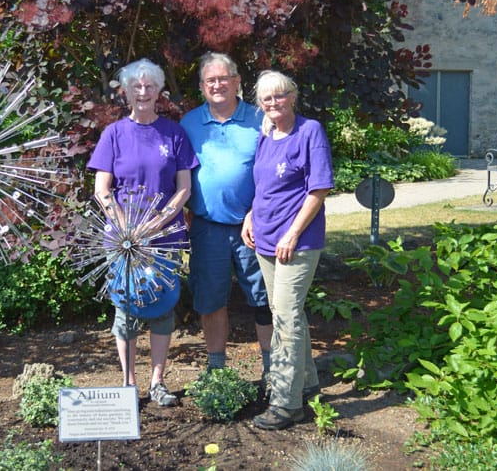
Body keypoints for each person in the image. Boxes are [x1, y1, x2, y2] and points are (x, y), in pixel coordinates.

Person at [87, 58, 198, 407]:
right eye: (136, 86)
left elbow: (184, 188)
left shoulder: (174, 133)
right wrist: (127, 228)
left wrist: (158, 222)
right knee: (126, 309)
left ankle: (157, 383)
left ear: (159, 91)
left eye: (150, 86)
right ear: (125, 91)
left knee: (163, 307)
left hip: (165, 237)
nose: (143, 92)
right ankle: (128, 384)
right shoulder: (114, 134)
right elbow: (102, 189)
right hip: (124, 241)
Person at [241, 70, 334, 430]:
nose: (274, 103)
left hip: (296, 242)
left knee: (285, 318)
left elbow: (319, 188)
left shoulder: (310, 131)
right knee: (286, 312)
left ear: (293, 96)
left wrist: (293, 233)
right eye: (267, 98)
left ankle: (286, 402)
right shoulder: (266, 135)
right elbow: (264, 186)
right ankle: (307, 384)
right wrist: (250, 215)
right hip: (265, 239)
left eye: (280, 95)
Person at [180, 52, 273, 381]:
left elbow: (274, 174)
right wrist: (183, 209)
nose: (217, 85)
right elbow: (179, 172)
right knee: (210, 300)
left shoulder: (261, 119)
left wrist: (256, 212)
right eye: (210, 80)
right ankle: (217, 372)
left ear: (237, 82)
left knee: (264, 299)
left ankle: (272, 371)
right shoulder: (190, 123)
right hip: (207, 228)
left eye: (223, 78)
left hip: (255, 225)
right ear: (201, 87)